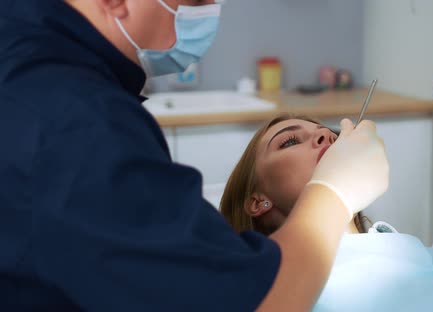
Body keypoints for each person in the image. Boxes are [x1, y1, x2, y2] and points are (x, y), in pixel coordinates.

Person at [0, 1, 389, 310]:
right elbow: (249, 303)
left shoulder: (26, 46)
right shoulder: (78, 120)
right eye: (194, 0)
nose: (200, 18)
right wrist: (332, 193)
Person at [220, 114, 433, 311]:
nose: (324, 134)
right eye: (290, 141)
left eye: (325, 130)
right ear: (257, 202)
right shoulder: (280, 295)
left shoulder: (427, 258)